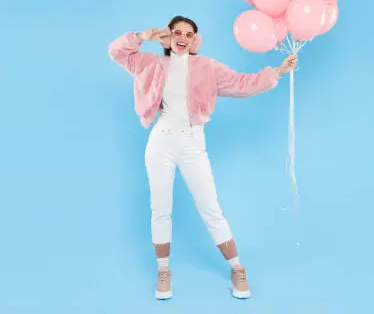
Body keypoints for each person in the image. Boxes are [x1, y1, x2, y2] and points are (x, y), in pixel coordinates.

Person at [108, 15, 297, 300]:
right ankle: (163, 270)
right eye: (177, 32)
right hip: (161, 142)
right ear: (167, 37)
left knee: (211, 207)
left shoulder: (207, 67)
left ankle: (237, 267)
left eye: (189, 33)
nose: (182, 37)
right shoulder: (149, 63)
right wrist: (141, 36)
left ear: (195, 40)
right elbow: (116, 52)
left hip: (193, 143)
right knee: (160, 207)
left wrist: (278, 72)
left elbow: (242, 83)